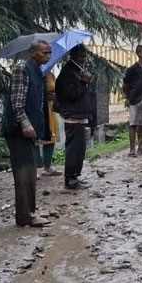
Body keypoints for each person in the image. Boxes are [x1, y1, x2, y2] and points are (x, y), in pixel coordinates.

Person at [4, 40, 51, 228]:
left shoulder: (38, 71)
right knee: (25, 173)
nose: (48, 56)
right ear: (33, 53)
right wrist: (25, 124)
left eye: (49, 52)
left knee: (31, 172)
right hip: (19, 130)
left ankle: (28, 212)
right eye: (45, 52)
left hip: (30, 129)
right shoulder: (22, 69)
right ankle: (26, 215)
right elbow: (17, 101)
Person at [55, 46, 95, 190]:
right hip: (73, 116)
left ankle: (75, 176)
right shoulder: (67, 73)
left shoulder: (78, 71)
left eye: (85, 56)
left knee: (80, 149)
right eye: (81, 56)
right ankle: (70, 179)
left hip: (81, 115)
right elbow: (70, 95)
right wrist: (84, 82)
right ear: (74, 56)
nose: (84, 59)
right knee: (73, 149)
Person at [123, 45, 142, 157]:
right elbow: (125, 84)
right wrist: (127, 97)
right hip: (134, 100)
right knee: (133, 124)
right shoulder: (132, 69)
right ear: (139, 53)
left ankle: (141, 147)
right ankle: (132, 150)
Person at [39, 67, 60, 176]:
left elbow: (56, 90)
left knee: (52, 137)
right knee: (39, 138)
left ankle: (48, 166)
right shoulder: (37, 74)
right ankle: (36, 168)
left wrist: (55, 96)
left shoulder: (51, 75)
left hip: (51, 109)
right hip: (40, 109)